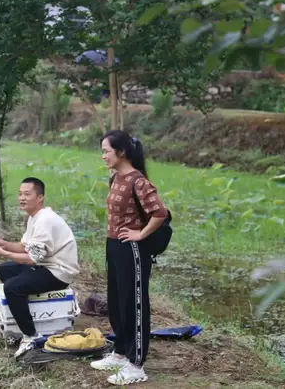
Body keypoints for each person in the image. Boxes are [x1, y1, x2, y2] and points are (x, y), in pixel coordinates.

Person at [90, 130, 169, 386]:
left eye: (106, 151)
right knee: (116, 301)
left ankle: (136, 365)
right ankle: (120, 352)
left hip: (131, 249)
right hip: (113, 245)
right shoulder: (116, 178)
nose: (103, 156)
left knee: (134, 304)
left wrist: (141, 234)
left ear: (121, 152)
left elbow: (160, 212)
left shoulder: (138, 181)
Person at [0, 177, 80, 359]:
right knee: (4, 270)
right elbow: (25, 247)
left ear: (40, 197)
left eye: (27, 194)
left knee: (12, 287)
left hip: (58, 273)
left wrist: (1, 252)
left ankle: (30, 335)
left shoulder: (45, 221)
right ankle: (27, 308)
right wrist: (3, 244)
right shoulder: (35, 217)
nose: (22, 198)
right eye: (20, 194)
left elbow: (32, 259)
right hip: (44, 265)